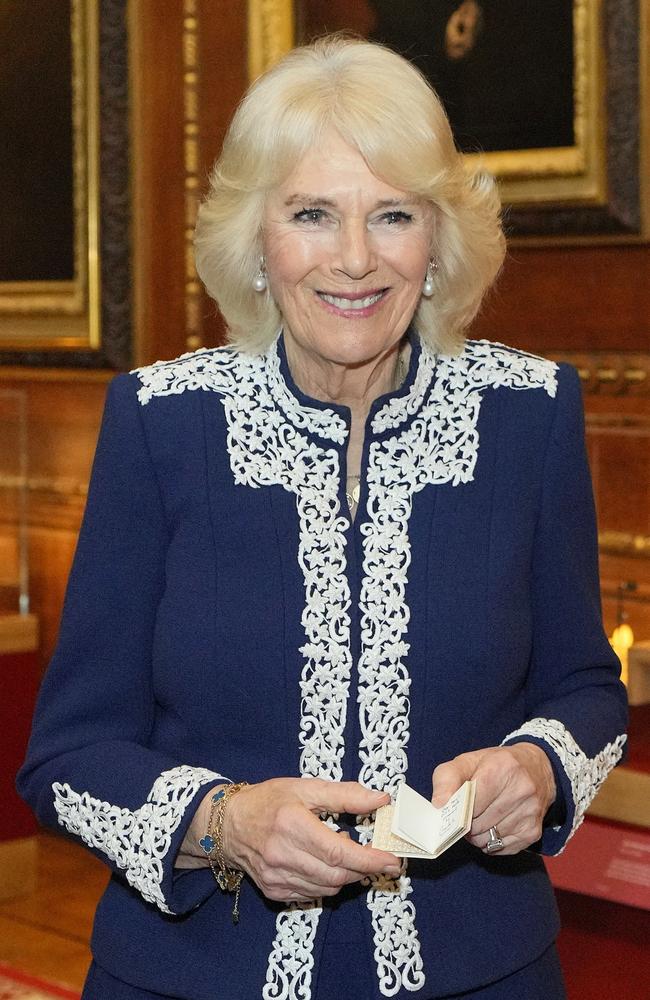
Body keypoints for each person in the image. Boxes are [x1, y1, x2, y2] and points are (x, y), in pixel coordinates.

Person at [18, 35, 627, 1000]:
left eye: (392, 214)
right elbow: (66, 757)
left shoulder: (530, 411)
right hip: (190, 977)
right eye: (311, 213)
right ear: (258, 243)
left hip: (483, 973)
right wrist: (221, 824)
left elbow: (587, 684)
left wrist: (542, 765)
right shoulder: (158, 424)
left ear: (437, 243)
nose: (354, 259)